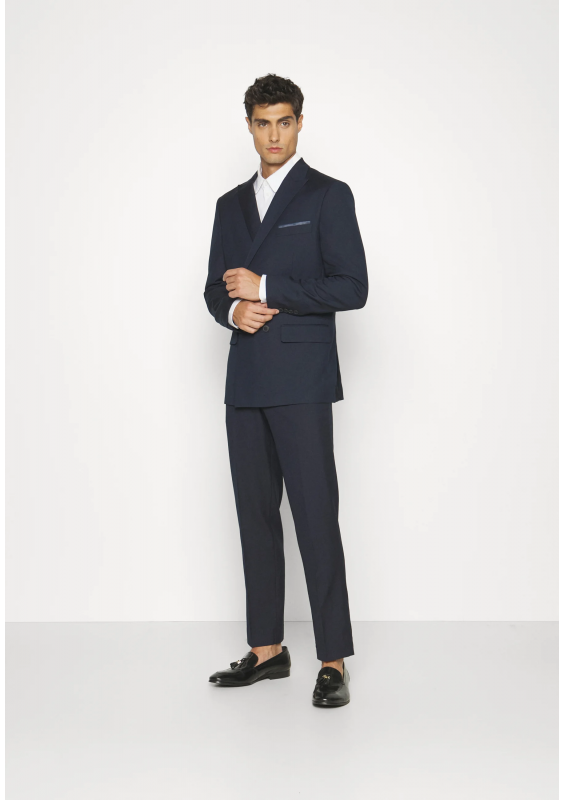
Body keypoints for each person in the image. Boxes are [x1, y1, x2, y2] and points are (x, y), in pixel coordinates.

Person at [203, 73, 368, 707]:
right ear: (249, 126)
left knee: (315, 516)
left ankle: (333, 660)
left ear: (299, 123)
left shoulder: (327, 195)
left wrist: (267, 288)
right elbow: (214, 289)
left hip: (302, 381)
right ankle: (268, 650)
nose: (274, 135)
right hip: (245, 379)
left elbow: (351, 287)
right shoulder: (229, 205)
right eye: (262, 123)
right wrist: (232, 311)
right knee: (254, 518)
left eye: (284, 122)